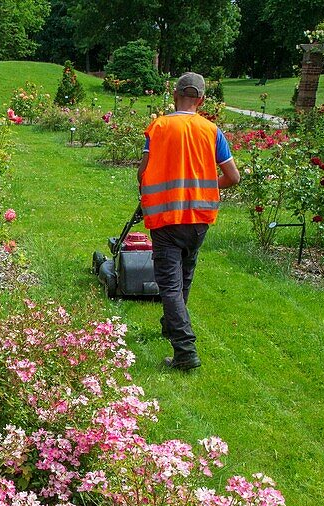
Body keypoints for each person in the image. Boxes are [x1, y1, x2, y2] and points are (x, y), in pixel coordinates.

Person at [137, 72, 240, 371]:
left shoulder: (159, 127)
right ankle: (170, 327)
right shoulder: (212, 130)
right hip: (198, 221)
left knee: (169, 284)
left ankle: (184, 350)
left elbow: (143, 173)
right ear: (202, 100)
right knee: (184, 276)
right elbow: (233, 177)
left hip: (167, 219)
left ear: (174, 95)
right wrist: (205, 187)